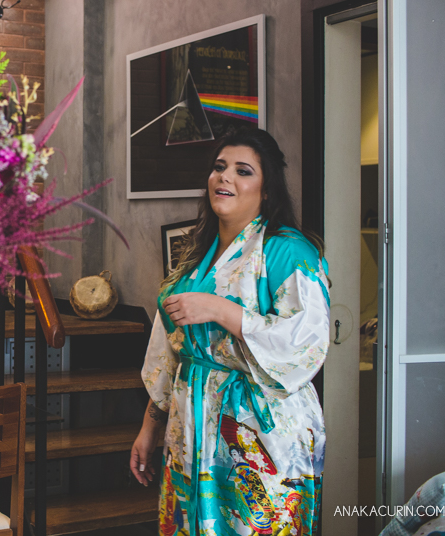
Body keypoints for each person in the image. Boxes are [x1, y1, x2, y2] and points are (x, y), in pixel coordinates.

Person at [130, 128, 329, 536]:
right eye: (219, 167)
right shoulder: (195, 255)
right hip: (190, 422)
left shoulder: (289, 252)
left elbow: (305, 344)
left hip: (259, 431)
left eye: (243, 171)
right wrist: (150, 427)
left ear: (267, 190)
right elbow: (169, 349)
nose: (225, 177)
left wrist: (222, 311)